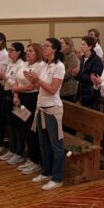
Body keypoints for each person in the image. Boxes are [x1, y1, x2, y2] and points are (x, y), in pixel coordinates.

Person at [26, 38, 67, 190]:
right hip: (41, 107)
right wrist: (34, 81)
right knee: (43, 144)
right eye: (43, 46)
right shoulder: (45, 65)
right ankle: (46, 172)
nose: (44, 48)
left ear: (55, 49)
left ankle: (57, 178)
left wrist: (37, 80)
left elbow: (52, 90)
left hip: (53, 109)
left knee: (56, 145)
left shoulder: (59, 67)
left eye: (47, 46)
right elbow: (40, 87)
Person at [11, 43, 44, 175]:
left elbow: (32, 86)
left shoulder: (40, 66)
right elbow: (16, 80)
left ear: (37, 53)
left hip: (32, 99)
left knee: (31, 131)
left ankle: (35, 160)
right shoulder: (24, 64)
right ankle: (30, 157)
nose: (28, 53)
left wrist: (16, 89)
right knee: (21, 128)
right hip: (20, 99)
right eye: (27, 51)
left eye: (31, 51)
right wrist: (16, 95)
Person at [0, 42, 26, 164]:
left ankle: (19, 152)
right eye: (8, 50)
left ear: (19, 52)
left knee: (17, 125)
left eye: (12, 50)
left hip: (15, 96)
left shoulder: (21, 65)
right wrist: (1, 77)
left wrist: (4, 77)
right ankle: (12, 149)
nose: (9, 53)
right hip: (6, 94)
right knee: (10, 124)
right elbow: (6, 82)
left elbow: (16, 83)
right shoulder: (10, 63)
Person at [76, 35, 103, 109]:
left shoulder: (97, 60)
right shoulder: (83, 58)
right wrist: (75, 75)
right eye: (81, 44)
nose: (81, 46)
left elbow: (93, 79)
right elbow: (81, 77)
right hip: (82, 93)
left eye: (83, 45)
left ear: (90, 47)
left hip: (91, 95)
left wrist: (78, 74)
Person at [59, 37, 79, 102]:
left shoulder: (72, 56)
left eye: (61, 43)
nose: (59, 45)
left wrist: (57, 76)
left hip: (68, 88)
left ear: (68, 45)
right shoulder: (62, 55)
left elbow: (70, 73)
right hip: (61, 87)